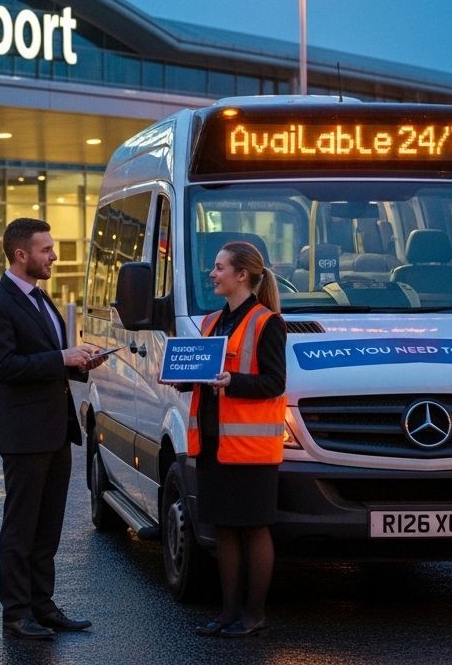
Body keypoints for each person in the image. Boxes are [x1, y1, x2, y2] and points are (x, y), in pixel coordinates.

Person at [0, 217, 106, 641]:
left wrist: (80, 361)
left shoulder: (40, 299)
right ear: (21, 255)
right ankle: (15, 614)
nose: (53, 255)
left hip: (54, 429)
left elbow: (51, 359)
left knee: (48, 525)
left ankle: (42, 605)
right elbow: (4, 367)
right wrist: (62, 358)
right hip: (23, 434)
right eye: (46, 249)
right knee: (20, 527)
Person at [176, 240, 287, 639]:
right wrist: (182, 376)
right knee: (224, 529)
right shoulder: (210, 322)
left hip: (251, 449)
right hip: (212, 444)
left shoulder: (266, 322)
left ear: (242, 275)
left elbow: (275, 383)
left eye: (220, 267)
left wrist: (233, 382)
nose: (213, 273)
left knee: (253, 529)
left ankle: (253, 614)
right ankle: (227, 613)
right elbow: (202, 374)